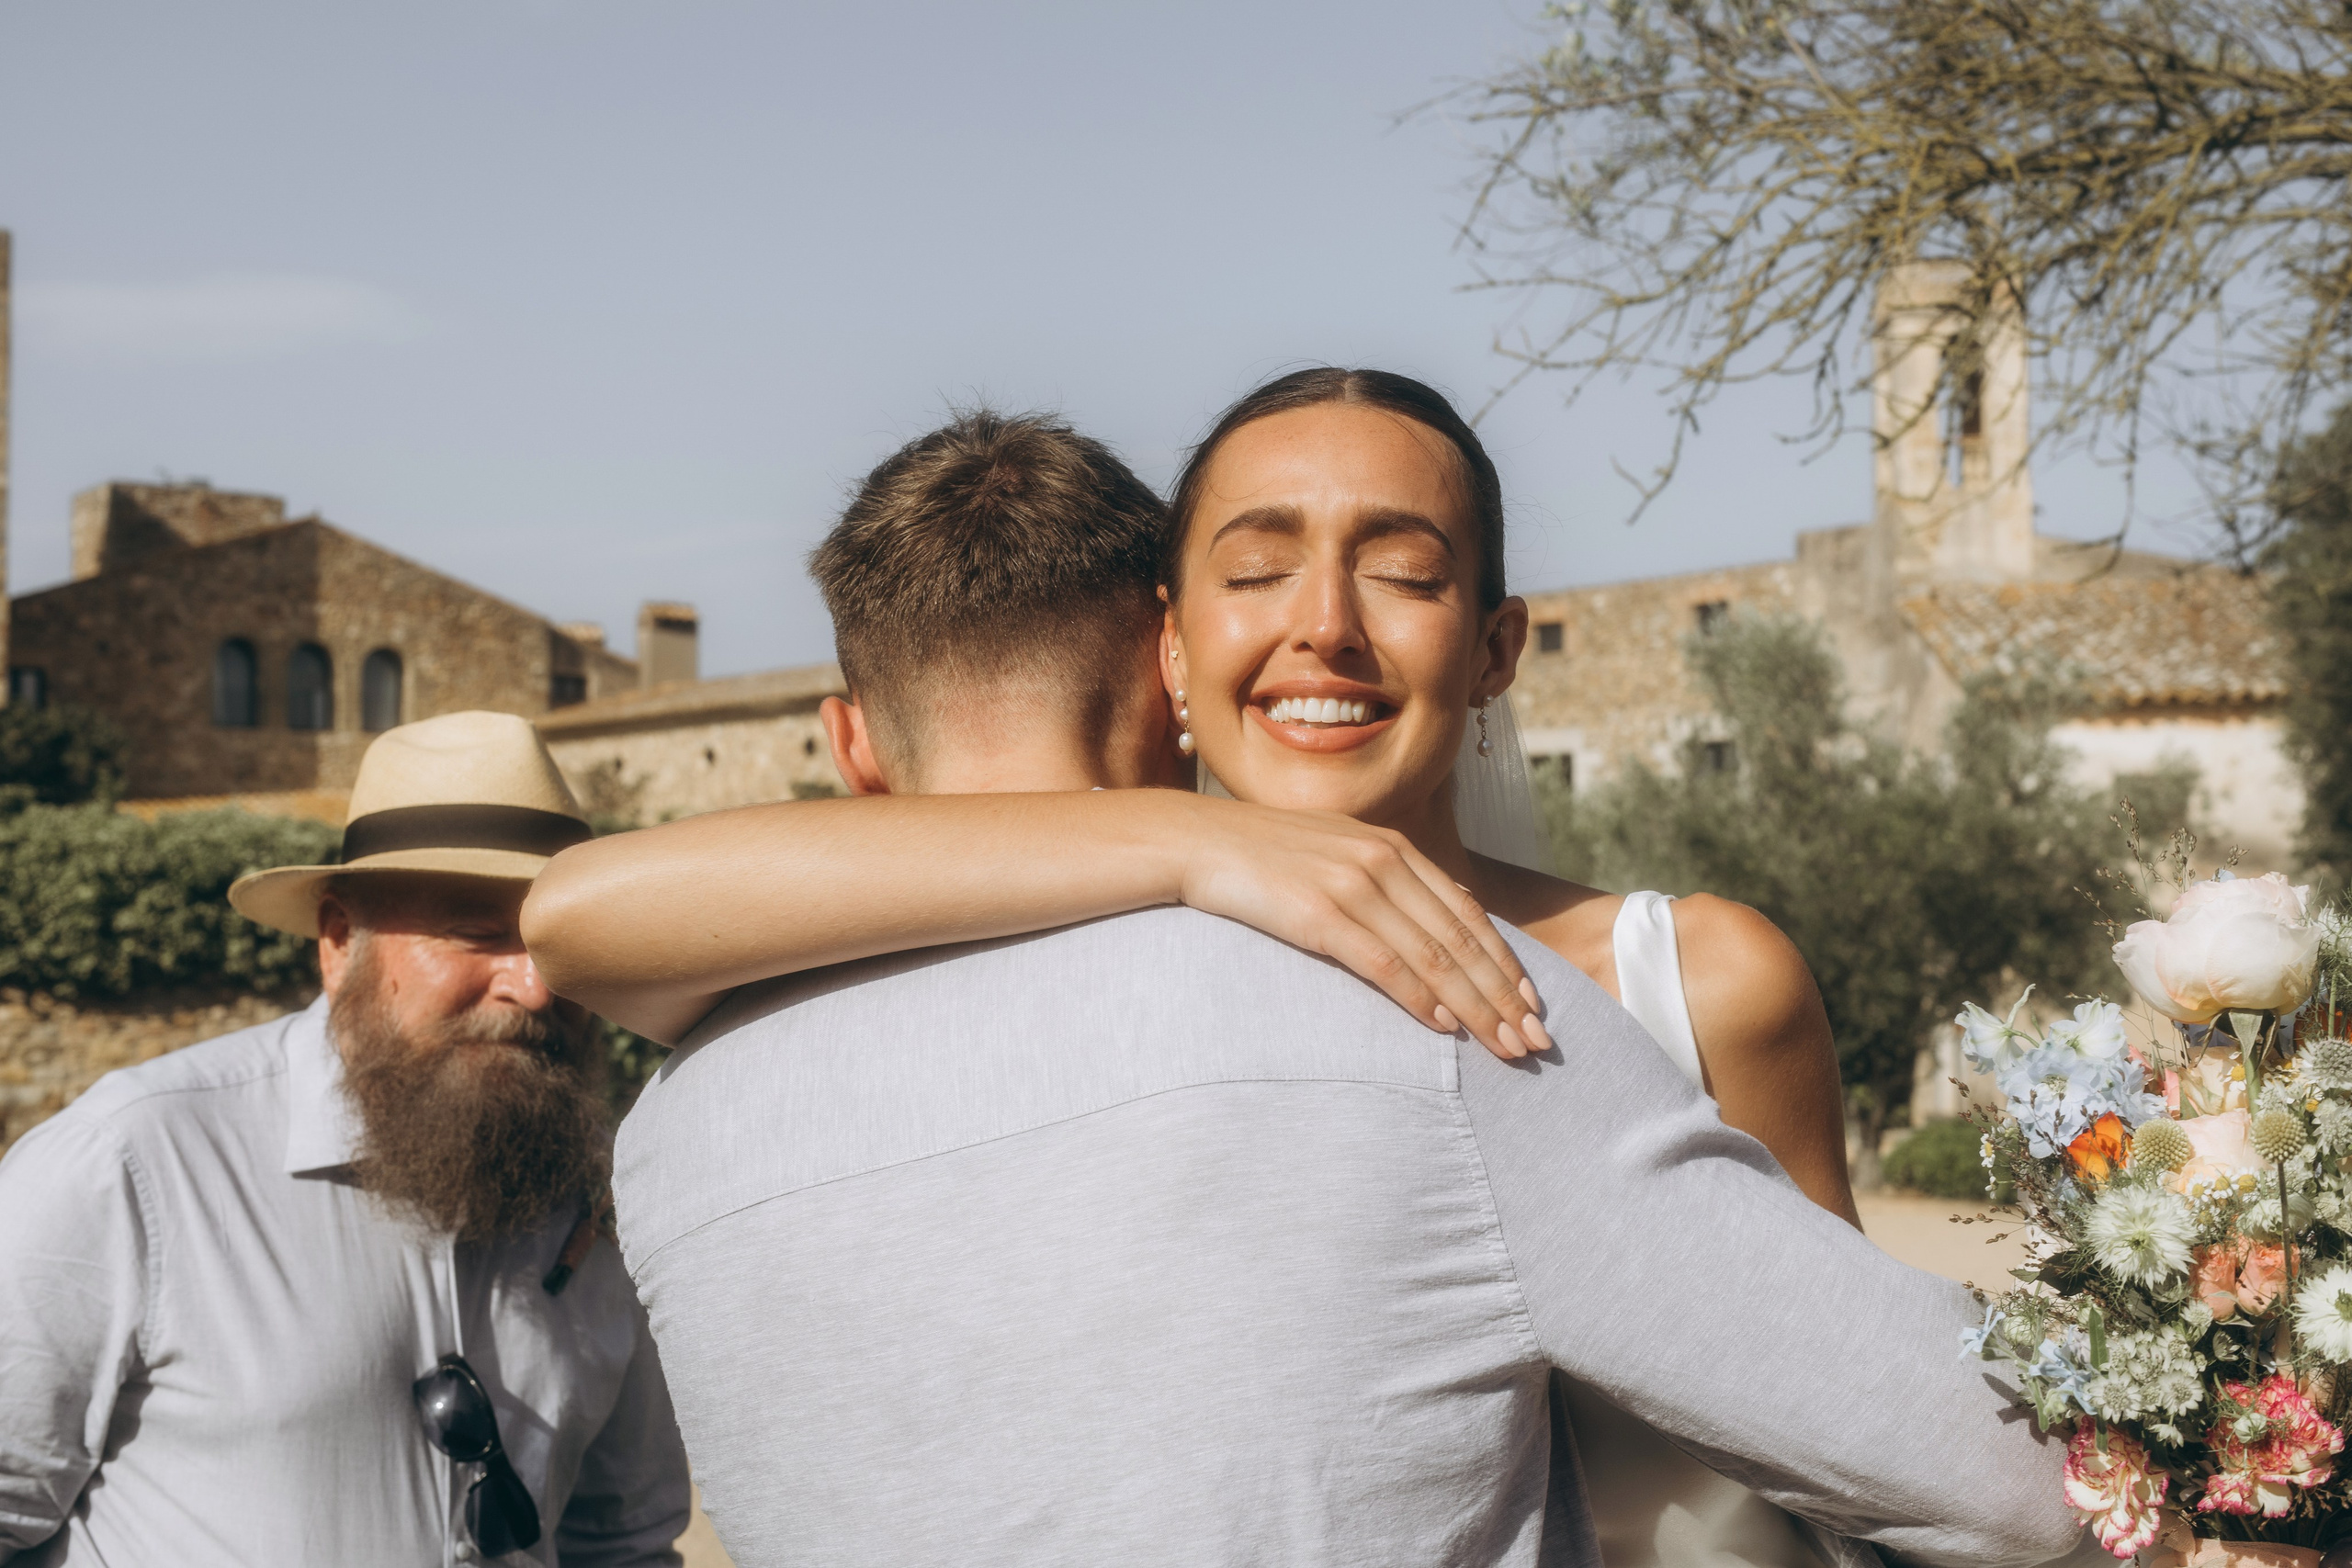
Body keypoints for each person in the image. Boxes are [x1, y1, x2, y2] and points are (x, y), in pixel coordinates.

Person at [526, 407, 2087, 1566]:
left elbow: (584, 913)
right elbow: (2006, 1478)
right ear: (1172, 671)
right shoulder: (1431, 1009)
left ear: (848, 742)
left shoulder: (679, 1127)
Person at [0, 711, 690, 1568]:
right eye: (480, 931)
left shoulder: (594, 1199)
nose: (533, 986)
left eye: (559, 943)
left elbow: (622, 1545)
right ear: (338, 940)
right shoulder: (131, 1167)